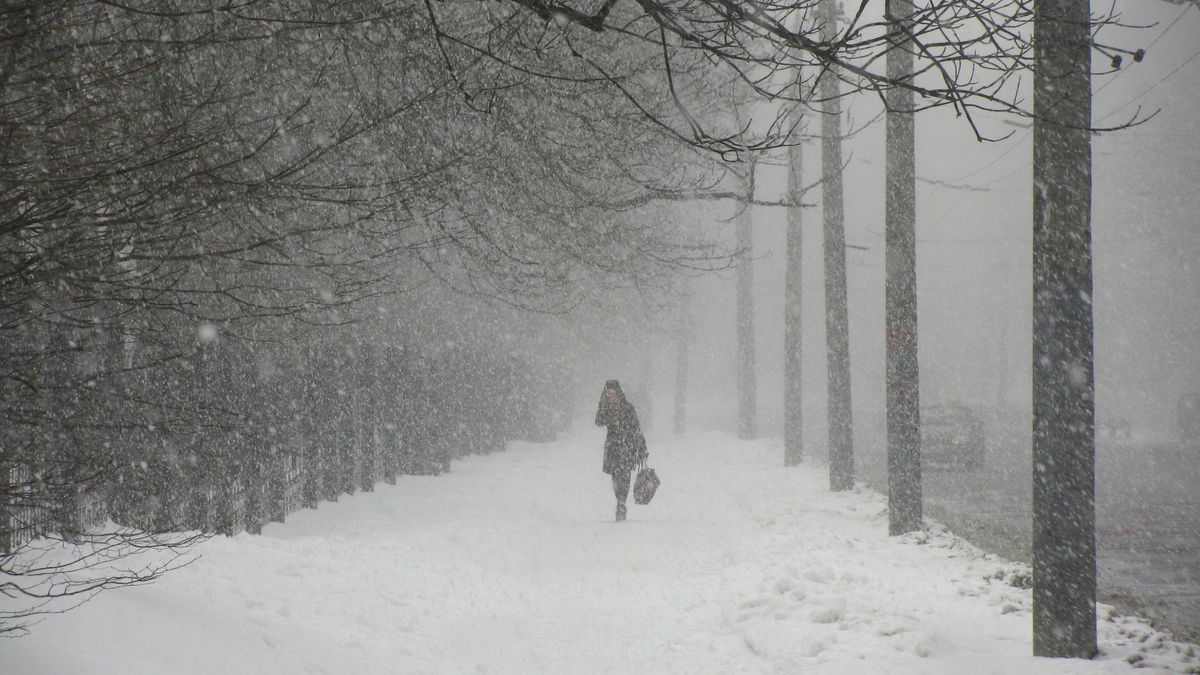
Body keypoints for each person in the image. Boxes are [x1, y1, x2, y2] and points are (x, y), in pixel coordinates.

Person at [594, 379, 648, 521]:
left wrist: (642, 448)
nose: (611, 395)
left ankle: (621, 503)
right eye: (608, 392)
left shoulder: (627, 407)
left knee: (624, 475)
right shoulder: (605, 407)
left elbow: (636, 428)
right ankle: (620, 500)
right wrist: (603, 405)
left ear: (618, 392)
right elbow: (598, 422)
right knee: (615, 476)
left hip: (627, 446)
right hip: (613, 446)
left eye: (613, 392)